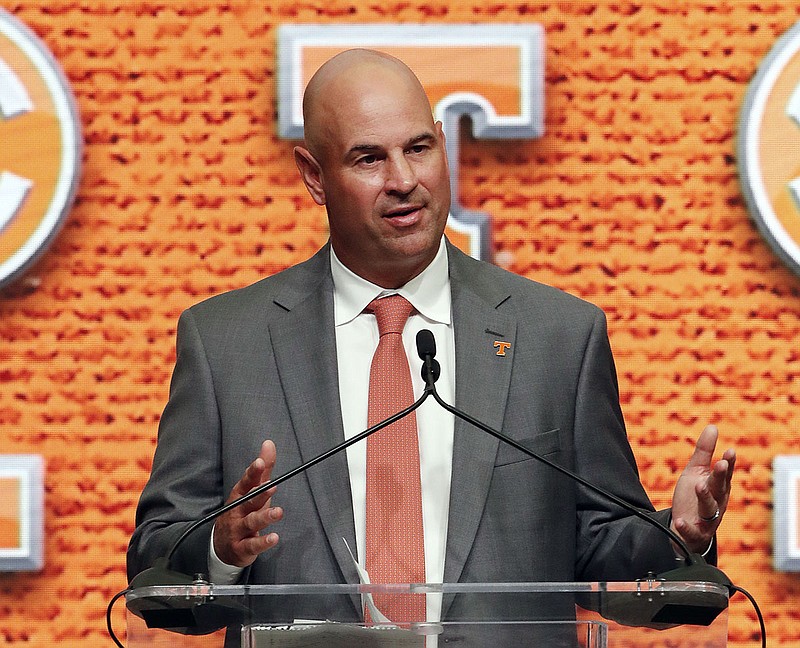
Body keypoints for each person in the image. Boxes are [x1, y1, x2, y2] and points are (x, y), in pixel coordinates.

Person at [127, 49, 736, 644]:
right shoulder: (226, 342)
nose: (404, 181)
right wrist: (218, 548)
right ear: (314, 176)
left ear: (444, 144)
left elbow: (601, 548)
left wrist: (678, 535)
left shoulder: (558, 336)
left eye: (419, 148)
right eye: (369, 159)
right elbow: (153, 568)